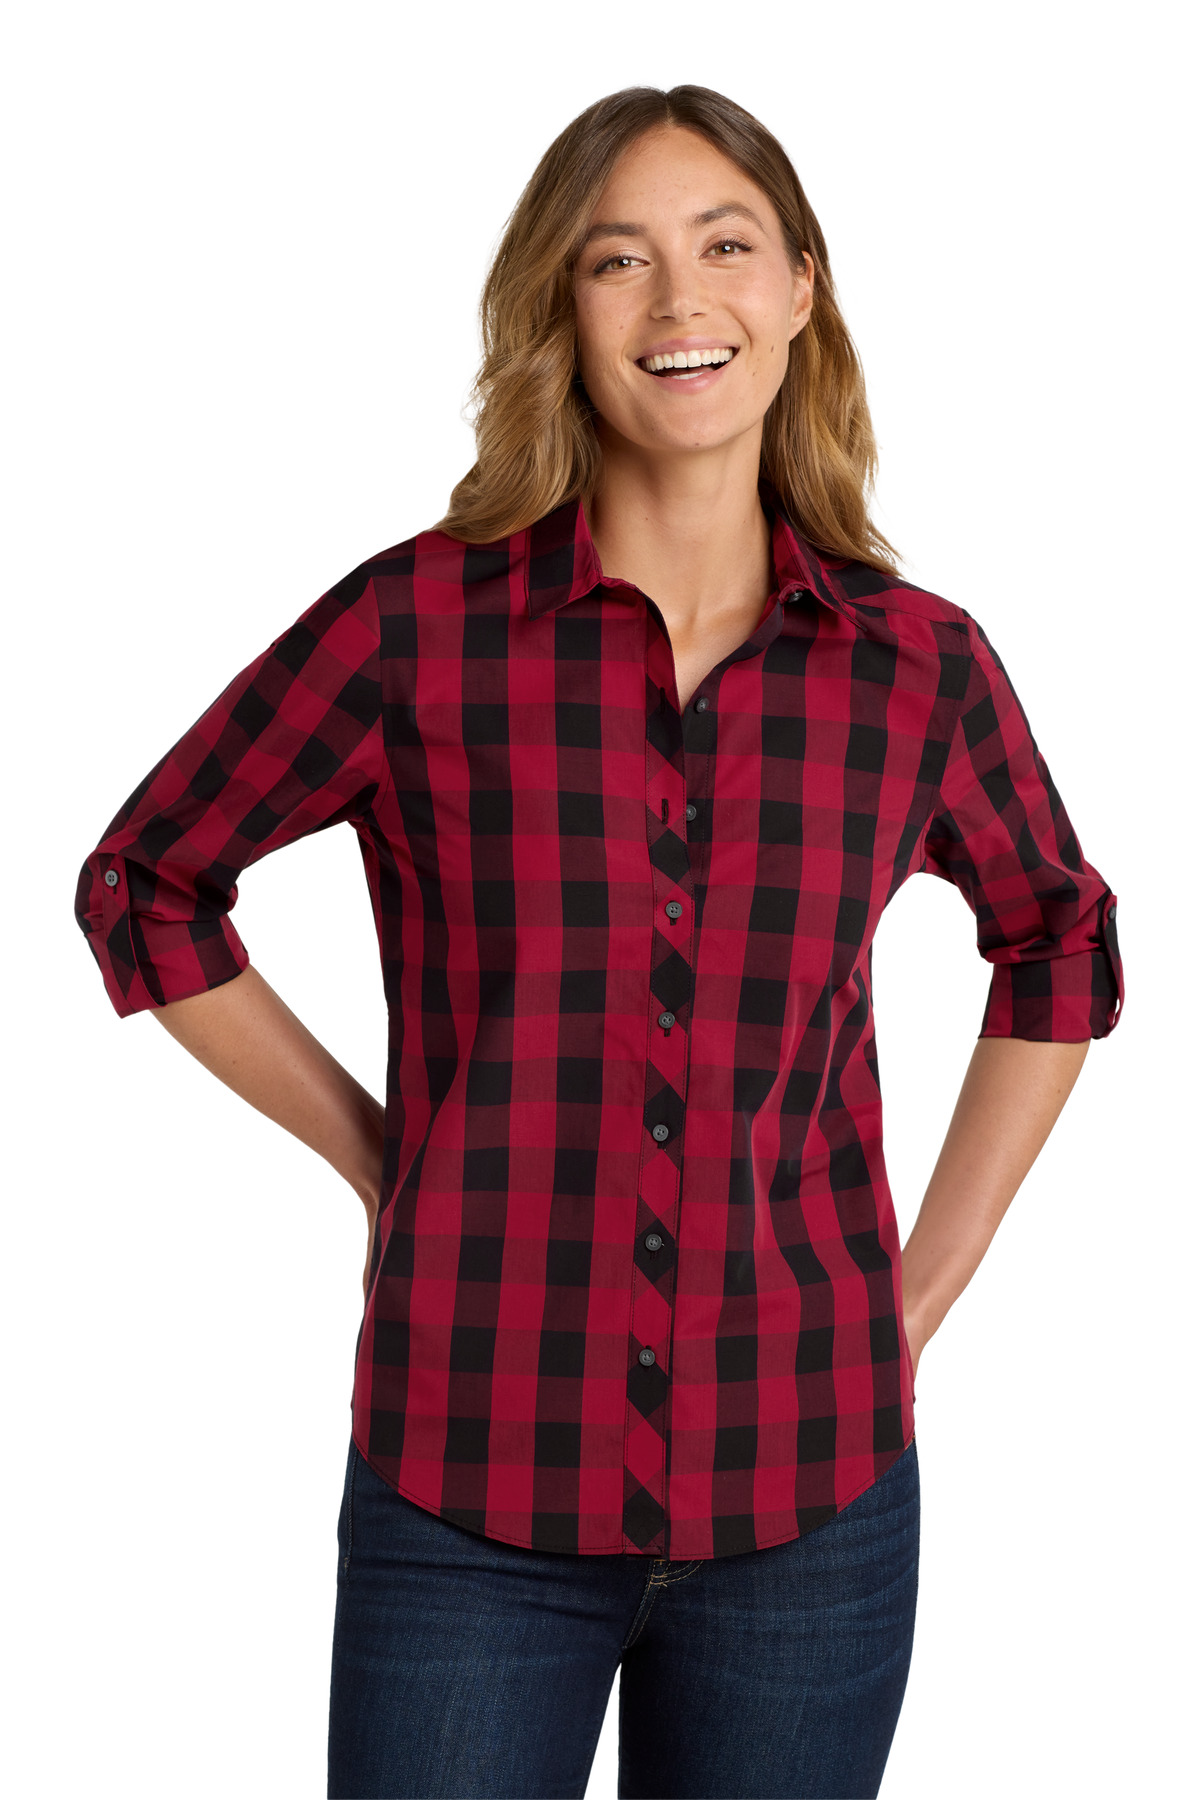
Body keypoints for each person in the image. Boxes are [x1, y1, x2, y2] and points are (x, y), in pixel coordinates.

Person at [74, 83, 1124, 1800]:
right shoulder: (420, 627)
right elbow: (150, 881)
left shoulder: (917, 666)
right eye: (617, 260)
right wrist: (378, 1157)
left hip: (812, 1500)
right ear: (558, 311)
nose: (678, 299)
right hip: (468, 1488)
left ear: (802, 287)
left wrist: (917, 1292)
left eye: (726, 246)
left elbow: (1059, 945)